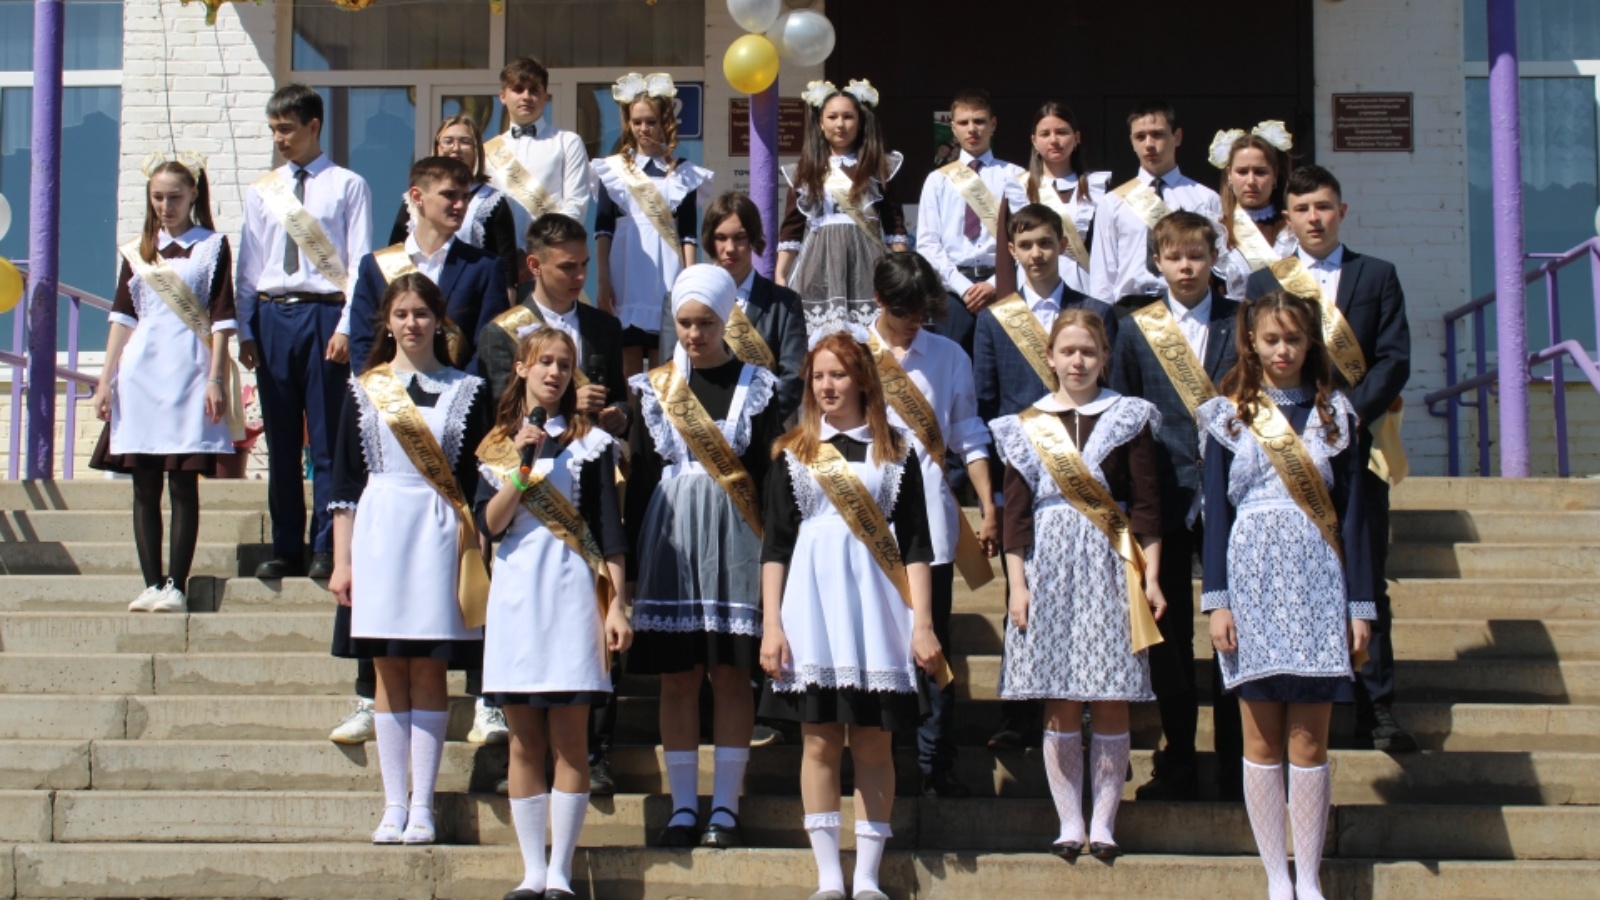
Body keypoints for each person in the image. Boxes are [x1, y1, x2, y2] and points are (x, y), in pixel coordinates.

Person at [1197, 290, 1375, 900]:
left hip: (1319, 582)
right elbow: (1215, 515)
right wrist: (1217, 599)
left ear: (1310, 343)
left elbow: (1355, 517)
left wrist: (1359, 607)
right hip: (1250, 581)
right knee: (1261, 739)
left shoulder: (1337, 416)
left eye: (1293, 339)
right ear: (1251, 342)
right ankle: (1277, 876)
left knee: (1309, 740)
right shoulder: (1228, 416)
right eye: (1271, 339)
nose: (1282, 350)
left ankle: (1310, 875)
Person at [758, 327, 943, 900]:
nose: (827, 385)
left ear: (862, 379)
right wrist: (771, 624)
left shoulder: (897, 451)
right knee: (818, 742)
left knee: (873, 744)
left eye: (837, 374)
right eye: (818, 376)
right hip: (811, 611)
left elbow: (917, 545)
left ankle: (866, 877)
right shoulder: (793, 452)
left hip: (877, 613)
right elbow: (776, 546)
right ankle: (828, 877)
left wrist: (923, 623)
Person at [1245, 164, 1415, 754]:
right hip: (1284, 452)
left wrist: (1349, 415)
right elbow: (1254, 358)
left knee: (1366, 571)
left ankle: (1377, 708)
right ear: (1286, 219)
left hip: (1356, 445)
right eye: (1302, 209)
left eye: (1323, 207)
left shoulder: (1377, 275)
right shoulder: (1266, 280)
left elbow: (1394, 357)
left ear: (1341, 211)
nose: (1314, 218)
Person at [327, 272, 496, 846]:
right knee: (387, 670)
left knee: (427, 668)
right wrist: (342, 561)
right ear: (387, 321)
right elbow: (345, 483)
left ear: (438, 319)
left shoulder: (468, 389)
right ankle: (392, 803)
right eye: (401, 313)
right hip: (380, 530)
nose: (411, 323)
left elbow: (478, 477)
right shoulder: (365, 388)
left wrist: (476, 547)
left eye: (421, 313)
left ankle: (422, 803)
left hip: (440, 531)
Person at [991, 310, 1165, 860]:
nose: (1078, 361)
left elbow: (1147, 507)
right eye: (1067, 351)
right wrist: (1017, 585)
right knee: (1061, 697)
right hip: (1047, 564)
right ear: (1050, 357)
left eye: (1088, 351)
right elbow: (1015, 516)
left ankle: (1104, 823)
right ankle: (1070, 821)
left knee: (1112, 694)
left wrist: (1152, 577)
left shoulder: (1128, 416)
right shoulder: (1026, 425)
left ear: (1105, 357)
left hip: (1111, 563)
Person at [626, 264, 785, 849]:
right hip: (670, 540)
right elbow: (642, 477)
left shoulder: (759, 386)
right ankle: (682, 807)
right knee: (678, 678)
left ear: (726, 320)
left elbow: (771, 480)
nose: (694, 334)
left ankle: (725, 805)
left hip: (737, 542)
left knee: (731, 676)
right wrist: (631, 570)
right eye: (685, 324)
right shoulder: (656, 388)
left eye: (706, 323)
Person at [475, 326, 633, 900]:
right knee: (523, 741)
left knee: (570, 738)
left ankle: (561, 871)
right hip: (517, 595)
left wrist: (618, 605)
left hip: (573, 593)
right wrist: (521, 468)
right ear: (521, 367)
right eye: (544, 361)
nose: (554, 372)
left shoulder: (592, 443)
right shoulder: (498, 444)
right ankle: (531, 871)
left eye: (565, 364)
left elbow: (609, 531)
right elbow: (489, 525)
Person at [1109, 211, 1242, 801]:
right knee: (1171, 636)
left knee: (1235, 633)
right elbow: (1124, 416)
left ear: (1214, 258)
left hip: (1232, 496)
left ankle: (1239, 763)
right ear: (1157, 263)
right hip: (1163, 497)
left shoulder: (1241, 322)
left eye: (1196, 255)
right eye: (1174, 257)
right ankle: (1180, 758)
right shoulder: (1137, 329)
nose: (1186, 267)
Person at [974, 204, 1116, 752]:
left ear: (1063, 245)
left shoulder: (1096, 312)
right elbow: (988, 401)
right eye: (1026, 244)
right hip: (1025, 476)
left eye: (1046, 243)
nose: (1037, 254)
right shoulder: (995, 318)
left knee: (1088, 599)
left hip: (1087, 479)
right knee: (1023, 593)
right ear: (1011, 251)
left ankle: (1091, 710)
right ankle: (1020, 713)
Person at [868, 252, 997, 798]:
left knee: (932, 643)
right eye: (905, 312)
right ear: (880, 301)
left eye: (923, 312)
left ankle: (934, 764)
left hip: (932, 523)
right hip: (866, 522)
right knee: (876, 644)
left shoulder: (948, 356)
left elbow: (967, 432)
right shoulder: (852, 353)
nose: (914, 323)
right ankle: (878, 762)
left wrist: (987, 502)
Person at [90, 155, 238, 614]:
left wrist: (216, 377)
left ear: (193, 194)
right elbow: (122, 317)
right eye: (157, 197)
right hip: (141, 374)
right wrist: (105, 380)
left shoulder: (212, 246)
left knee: (182, 483)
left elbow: (222, 318)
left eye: (174, 196)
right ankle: (151, 583)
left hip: (190, 372)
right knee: (144, 484)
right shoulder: (138, 251)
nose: (165, 206)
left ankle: (177, 583)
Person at [237, 83, 372, 582]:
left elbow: (359, 262)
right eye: (274, 130)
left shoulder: (348, 185)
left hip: (324, 316)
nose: (279, 139)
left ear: (314, 126)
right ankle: (286, 545)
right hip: (273, 316)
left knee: (327, 440)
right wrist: (246, 329)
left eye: (287, 129)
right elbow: (250, 264)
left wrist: (346, 326)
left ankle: (326, 544)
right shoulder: (263, 190)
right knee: (280, 439)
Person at [593, 72, 712, 378]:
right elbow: (603, 230)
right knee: (629, 361)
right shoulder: (613, 170)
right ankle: (631, 411)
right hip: (626, 272)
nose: (643, 129)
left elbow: (688, 235)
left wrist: (689, 282)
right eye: (637, 122)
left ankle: (660, 410)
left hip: (667, 274)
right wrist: (603, 280)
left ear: (664, 123)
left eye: (651, 121)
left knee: (665, 359)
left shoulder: (683, 173)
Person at [346, 156, 509, 373]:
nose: (461, 205)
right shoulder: (375, 266)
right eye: (449, 195)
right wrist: (381, 390)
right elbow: (363, 341)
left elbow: (489, 346)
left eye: (465, 197)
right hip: (390, 390)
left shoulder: (484, 267)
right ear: (417, 196)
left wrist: (461, 388)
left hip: (460, 387)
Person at [477, 214, 630, 437]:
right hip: (535, 454)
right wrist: (568, 401)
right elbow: (500, 412)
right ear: (534, 265)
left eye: (584, 264)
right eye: (567, 267)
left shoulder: (605, 326)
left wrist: (620, 415)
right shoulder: (500, 332)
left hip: (594, 451)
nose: (580, 276)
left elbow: (617, 396)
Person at [776, 79, 908, 334]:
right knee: (821, 339)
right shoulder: (805, 171)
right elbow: (791, 230)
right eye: (832, 117)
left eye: (848, 117)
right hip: (819, 262)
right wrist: (781, 275)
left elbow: (894, 227)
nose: (840, 124)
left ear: (860, 121)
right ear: (820, 122)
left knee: (870, 338)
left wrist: (903, 271)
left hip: (867, 261)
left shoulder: (879, 166)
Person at [662, 191, 807, 421]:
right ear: (709, 240)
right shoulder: (678, 300)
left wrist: (753, 425)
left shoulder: (784, 304)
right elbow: (669, 370)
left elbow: (793, 378)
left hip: (761, 429)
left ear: (753, 239)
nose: (730, 248)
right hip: (698, 431)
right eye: (721, 237)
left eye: (739, 237)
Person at [915, 88, 1028, 354]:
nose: (972, 129)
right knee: (954, 368)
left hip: (1003, 285)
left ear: (993, 125)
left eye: (979, 121)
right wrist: (964, 288)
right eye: (964, 122)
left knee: (1004, 367)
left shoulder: (1014, 175)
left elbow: (1025, 238)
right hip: (953, 290)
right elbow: (927, 244)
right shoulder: (938, 180)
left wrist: (994, 283)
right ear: (953, 128)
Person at [1088, 99, 1222, 305]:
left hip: (1187, 304)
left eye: (1157, 134)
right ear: (1132, 141)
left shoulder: (1205, 198)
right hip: (1129, 307)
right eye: (1140, 137)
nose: (1149, 144)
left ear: (1177, 137)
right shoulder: (1112, 201)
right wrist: (1101, 315)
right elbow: (1103, 272)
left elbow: (1218, 265)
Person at [387, 115, 521, 303]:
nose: (456, 148)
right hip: (414, 299)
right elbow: (394, 253)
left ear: (477, 150)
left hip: (469, 300)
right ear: (437, 147)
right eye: (448, 141)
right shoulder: (414, 199)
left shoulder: (492, 200)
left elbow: (506, 269)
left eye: (465, 142)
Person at [484, 57, 592, 287]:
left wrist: (539, 253)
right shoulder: (487, 151)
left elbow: (576, 205)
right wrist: (512, 256)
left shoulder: (567, 142)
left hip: (551, 262)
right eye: (518, 89)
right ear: (502, 96)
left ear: (546, 97)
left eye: (534, 90)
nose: (526, 96)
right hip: (501, 263)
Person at [1016, 102, 1110, 297]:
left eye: (1061, 132)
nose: (1054, 140)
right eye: (1045, 134)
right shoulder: (1018, 188)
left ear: (1077, 137)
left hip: (1084, 287)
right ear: (1034, 141)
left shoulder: (1098, 187)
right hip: (1031, 288)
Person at [1210, 122, 1298, 300]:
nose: (1251, 181)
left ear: (1275, 175)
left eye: (1260, 172)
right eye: (1242, 172)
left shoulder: (1292, 231)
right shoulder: (1217, 232)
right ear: (1229, 175)